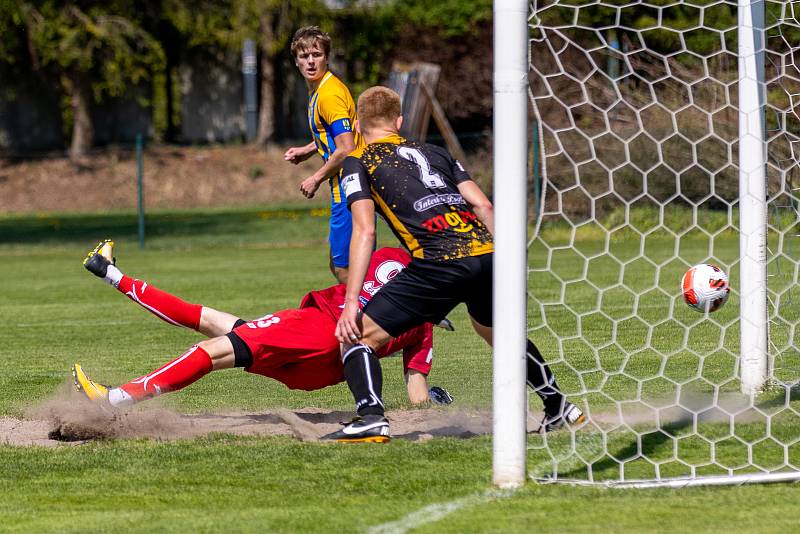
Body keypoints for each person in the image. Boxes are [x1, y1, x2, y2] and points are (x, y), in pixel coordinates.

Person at [323, 86, 585, 442]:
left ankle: (370, 416)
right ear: (399, 121)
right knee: (499, 335)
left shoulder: (358, 161)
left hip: (438, 261)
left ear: (356, 123)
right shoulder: (434, 151)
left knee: (357, 336)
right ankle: (558, 406)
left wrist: (351, 301)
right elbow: (485, 207)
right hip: (485, 253)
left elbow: (365, 232)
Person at [73, 240, 453, 434]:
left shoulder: (388, 253)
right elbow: (417, 392)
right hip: (318, 373)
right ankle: (111, 273)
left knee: (212, 350)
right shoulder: (423, 325)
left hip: (319, 327)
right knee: (211, 320)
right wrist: (434, 403)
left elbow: (343, 263)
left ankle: (114, 399)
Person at [283, 26, 364, 284]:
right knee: (344, 264)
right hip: (351, 184)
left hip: (350, 187)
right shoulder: (319, 90)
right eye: (304, 55)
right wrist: (308, 150)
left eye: (316, 54)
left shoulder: (328, 94)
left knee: (345, 269)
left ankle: (386, 319)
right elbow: (331, 135)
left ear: (327, 57)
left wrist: (315, 178)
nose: (310, 61)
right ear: (296, 60)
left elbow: (347, 147)